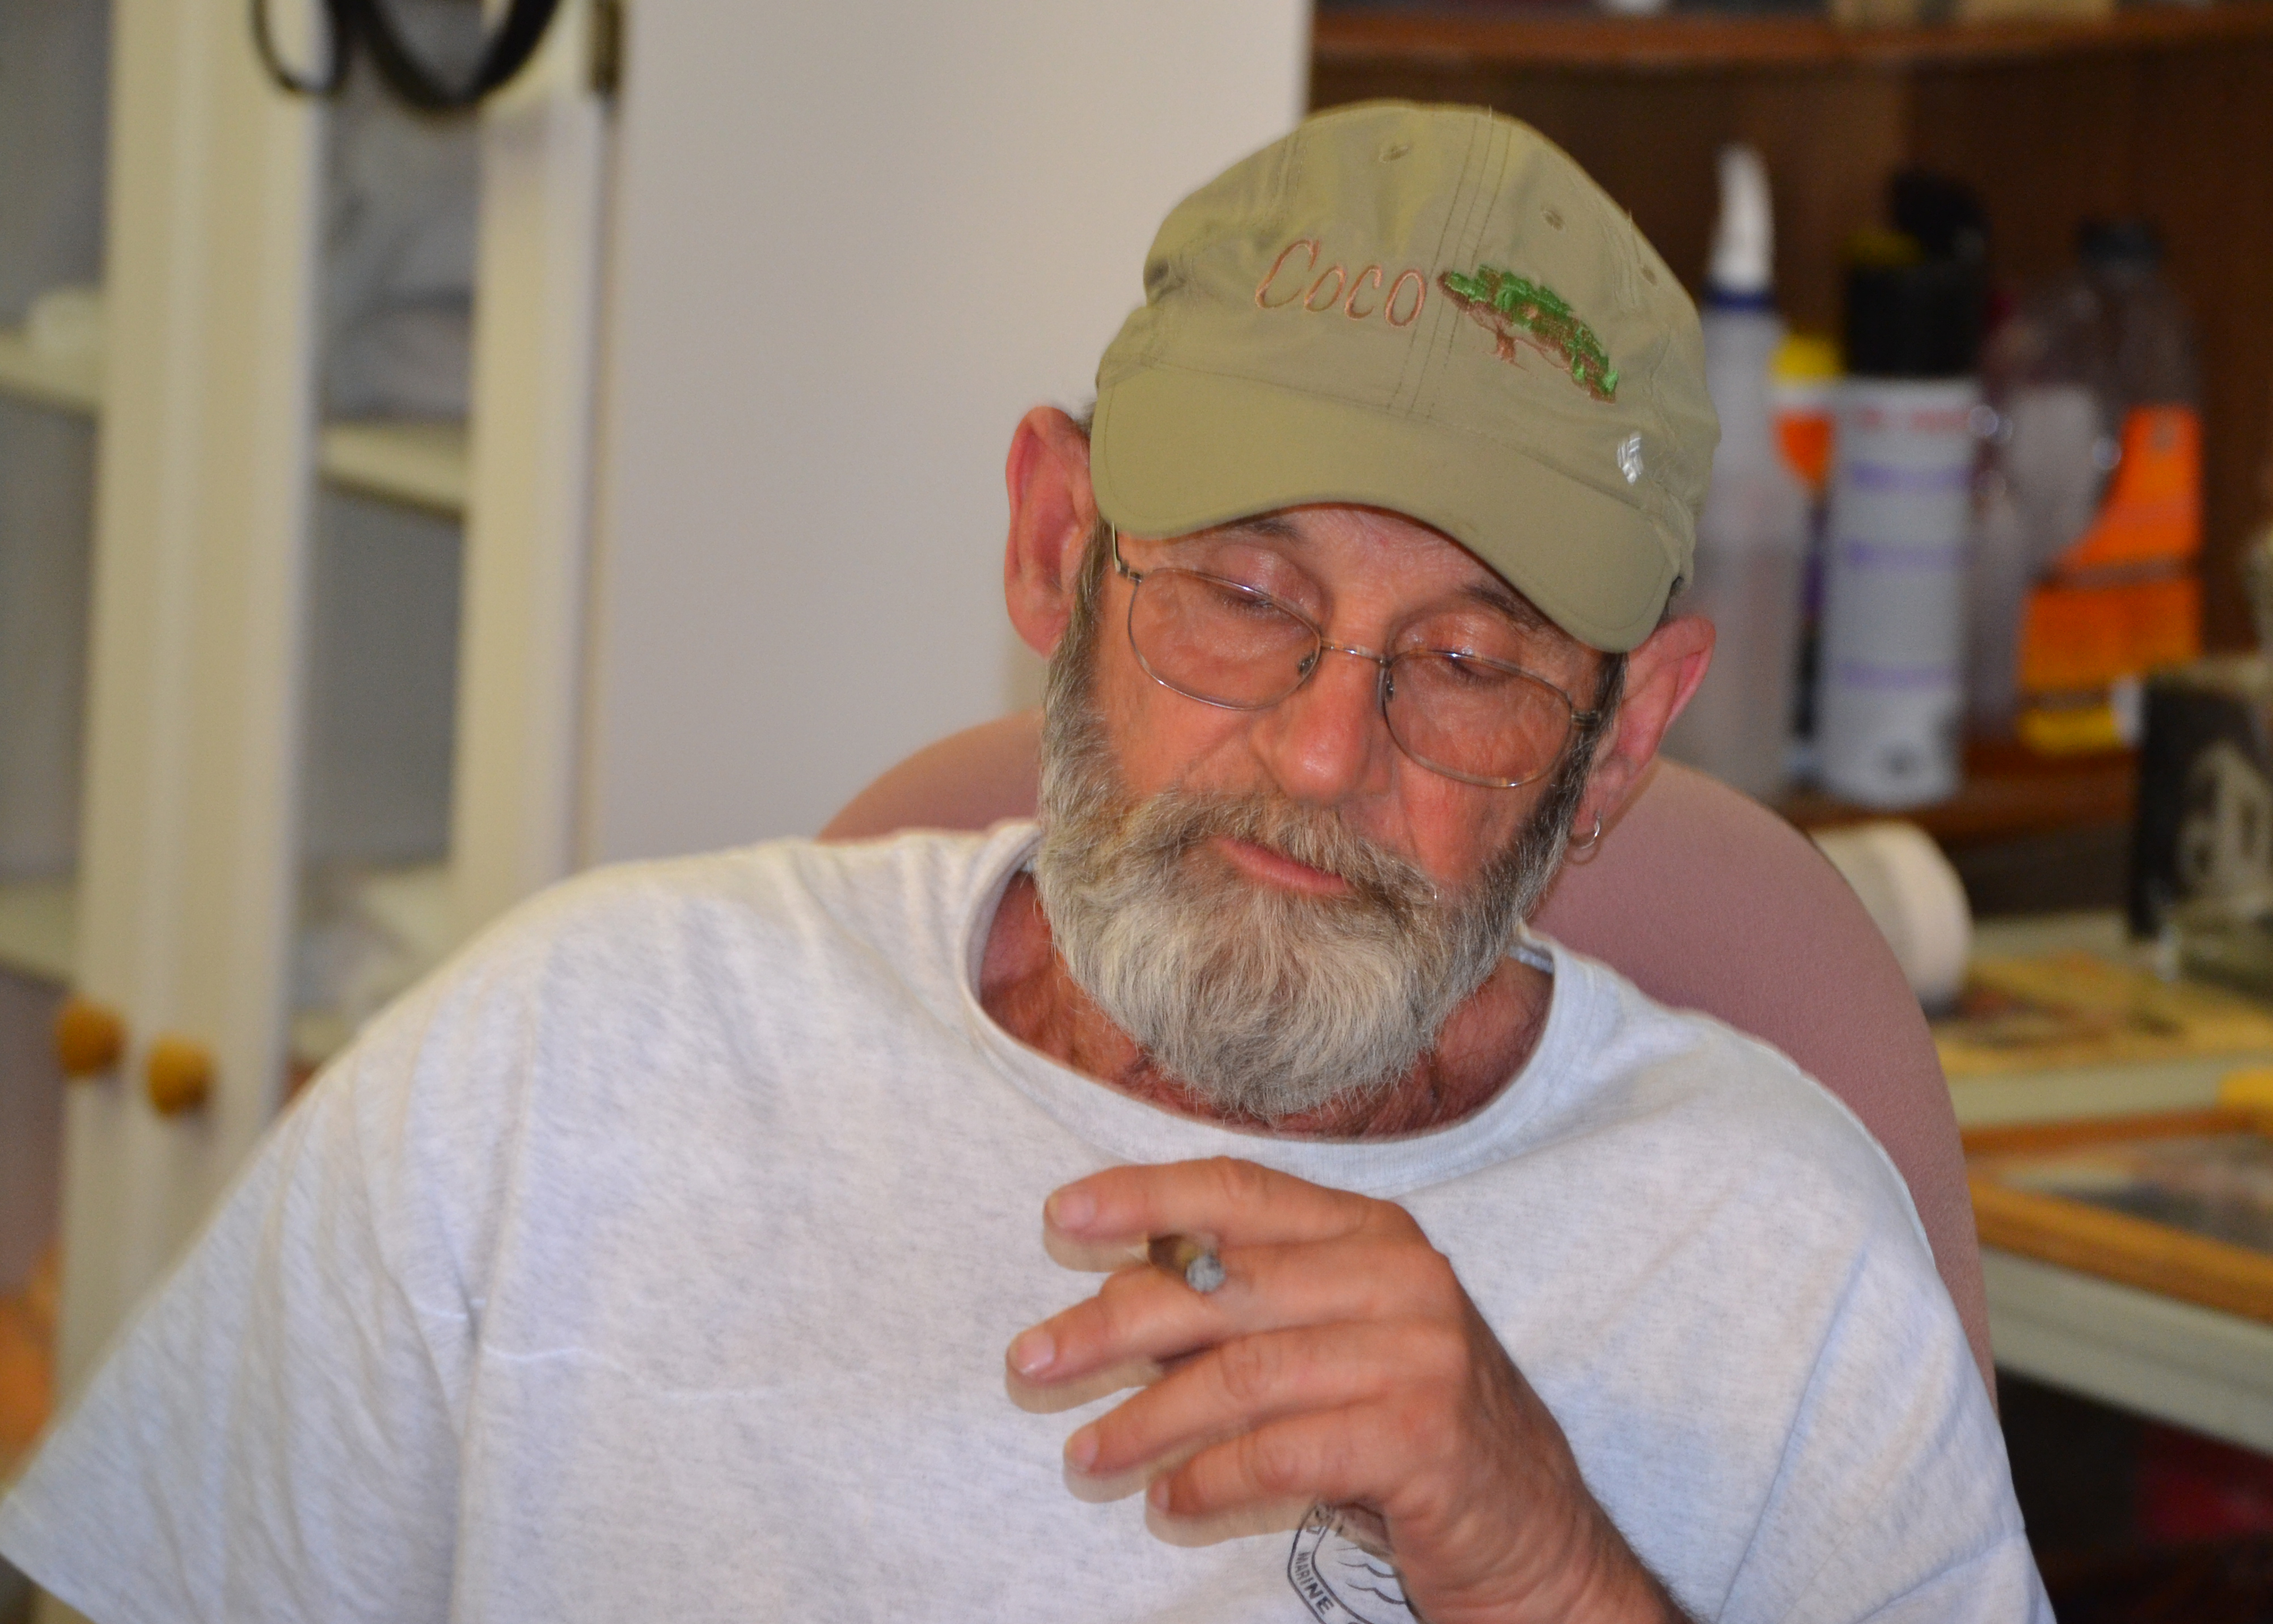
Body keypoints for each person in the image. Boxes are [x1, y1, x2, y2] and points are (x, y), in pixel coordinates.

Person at [1, 102, 2046, 1623]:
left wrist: (1545, 1560)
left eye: (1469, 663)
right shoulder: (562, 1064)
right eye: (1243, 592)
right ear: (1059, 546)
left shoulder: (1768, 1258)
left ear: (1623, 743)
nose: (1322, 754)